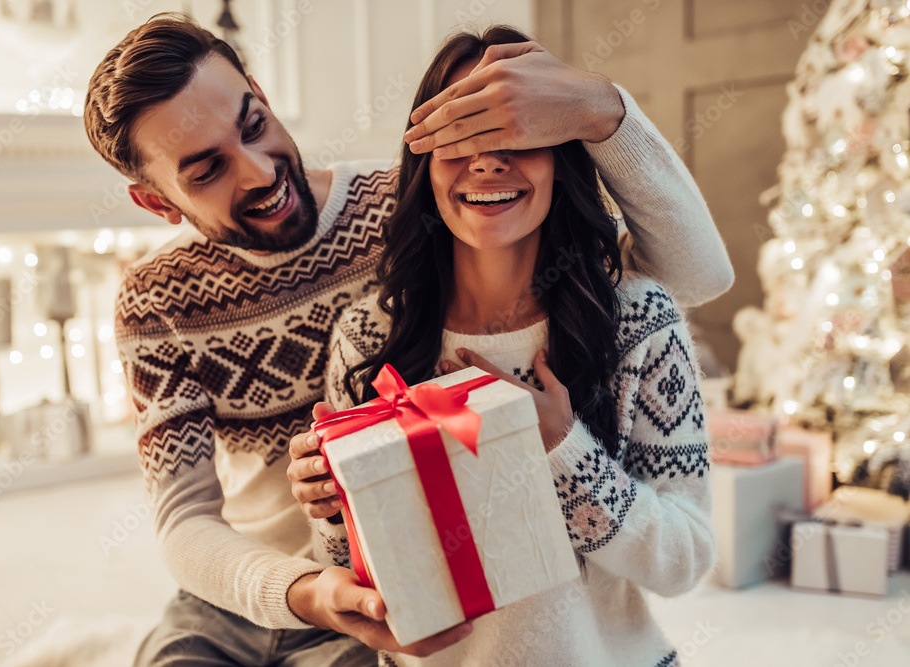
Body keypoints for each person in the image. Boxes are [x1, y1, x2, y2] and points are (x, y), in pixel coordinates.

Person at [83, 11, 732, 667]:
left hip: (377, 614)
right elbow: (184, 520)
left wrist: (602, 109)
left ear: (264, 95)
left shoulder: (423, 201)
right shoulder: (161, 300)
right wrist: (311, 577)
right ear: (157, 203)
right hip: (259, 589)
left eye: (253, 125)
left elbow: (686, 279)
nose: (257, 173)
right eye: (204, 170)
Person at [288, 25, 716, 667]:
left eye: (517, 135)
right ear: (424, 165)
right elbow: (360, 577)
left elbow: (685, 561)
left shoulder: (635, 319)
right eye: (459, 136)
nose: (487, 161)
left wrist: (564, 449)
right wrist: (331, 505)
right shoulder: (368, 341)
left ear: (561, 159)